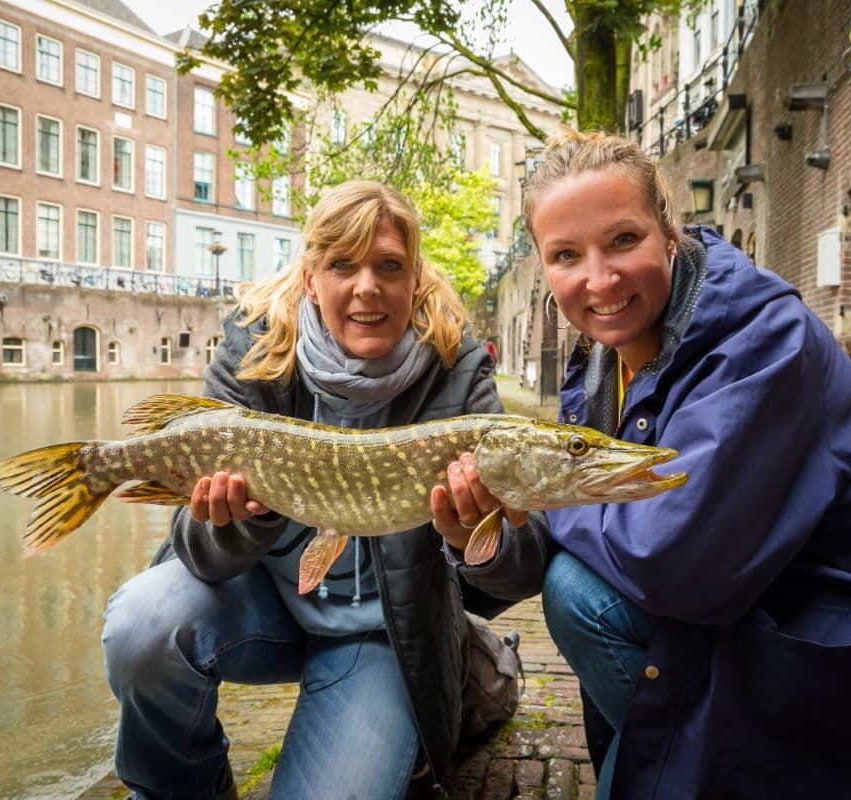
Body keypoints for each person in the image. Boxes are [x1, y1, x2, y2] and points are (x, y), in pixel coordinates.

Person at [525, 129, 851, 799]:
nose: (599, 279)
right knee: (576, 590)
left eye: (623, 240)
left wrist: (540, 491)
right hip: (780, 596)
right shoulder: (604, 363)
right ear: (544, 268)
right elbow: (588, 534)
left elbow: (673, 562)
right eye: (566, 254)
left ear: (669, 233)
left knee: (585, 593)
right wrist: (476, 538)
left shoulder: (758, 338)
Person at [102, 180, 550, 800]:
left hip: (382, 636)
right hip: (264, 610)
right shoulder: (253, 355)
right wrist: (241, 519)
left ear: (413, 279)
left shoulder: (459, 373)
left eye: (388, 266)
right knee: (141, 627)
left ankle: (415, 721)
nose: (366, 286)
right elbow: (196, 551)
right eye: (343, 264)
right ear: (311, 278)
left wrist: (479, 537)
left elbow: (515, 579)